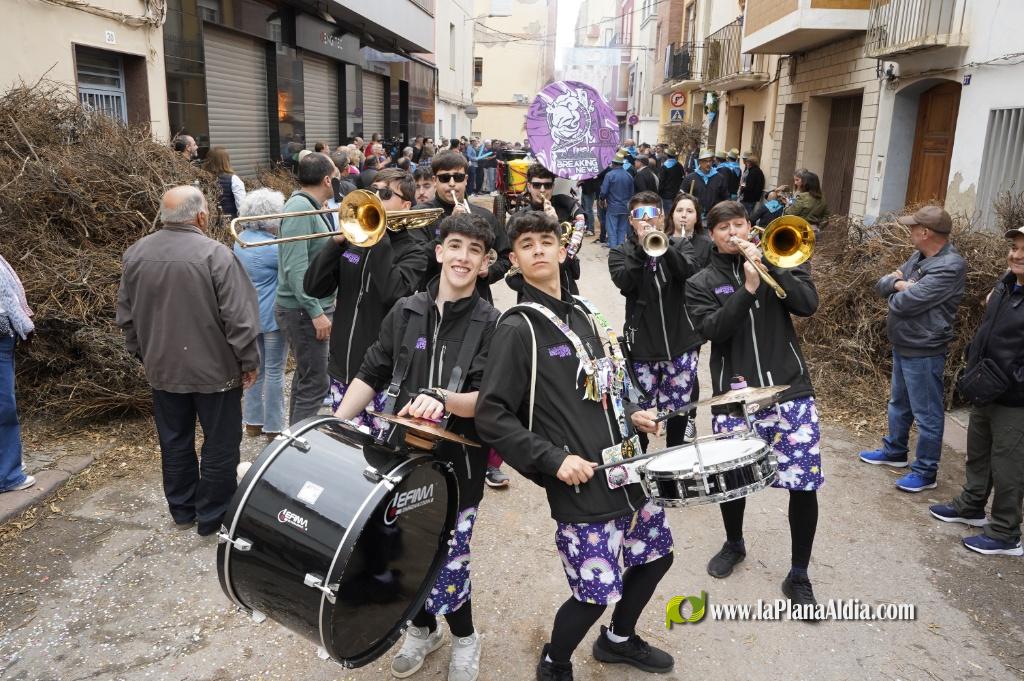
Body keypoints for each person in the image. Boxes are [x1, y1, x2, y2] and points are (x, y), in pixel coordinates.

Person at [476, 210, 675, 680]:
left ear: (563, 250)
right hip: (581, 484)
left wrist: (632, 413)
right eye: (527, 244)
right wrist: (553, 459)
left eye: (547, 241)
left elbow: (605, 386)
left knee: (656, 557)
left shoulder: (586, 313)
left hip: (628, 471)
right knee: (593, 591)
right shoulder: (517, 327)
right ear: (514, 260)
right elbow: (491, 414)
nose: (539, 250)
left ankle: (618, 641)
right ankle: (555, 662)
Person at [336, 213, 499, 681]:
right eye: (455, 246)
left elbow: (487, 398)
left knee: (448, 563)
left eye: (474, 250)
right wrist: (334, 424)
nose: (463, 257)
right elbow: (372, 371)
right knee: (393, 553)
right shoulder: (406, 310)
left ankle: (466, 638)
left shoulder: (493, 323)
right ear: (439, 252)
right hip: (396, 457)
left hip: (457, 468)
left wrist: (443, 398)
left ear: (485, 264)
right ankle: (424, 629)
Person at [685, 200, 823, 607]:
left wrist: (772, 268)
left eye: (739, 224)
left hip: (790, 391)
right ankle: (734, 543)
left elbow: (807, 305)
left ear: (751, 226)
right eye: (723, 227)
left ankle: (799, 574)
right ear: (712, 235)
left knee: (804, 484)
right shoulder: (701, 281)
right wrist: (746, 290)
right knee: (732, 479)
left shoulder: (783, 257)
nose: (733, 233)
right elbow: (712, 328)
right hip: (736, 398)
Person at [116, 186, 260, 535]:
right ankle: (212, 515)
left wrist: (143, 353)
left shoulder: (135, 254)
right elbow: (239, 320)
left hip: (163, 369)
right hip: (216, 371)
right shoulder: (216, 255)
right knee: (221, 442)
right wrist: (249, 361)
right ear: (200, 216)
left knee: (174, 440)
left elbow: (126, 316)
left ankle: (182, 511)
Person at [304, 168, 429, 428]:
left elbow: (394, 294)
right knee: (343, 447)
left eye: (384, 193)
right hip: (342, 369)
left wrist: (378, 238)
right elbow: (314, 287)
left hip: (380, 377)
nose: (375, 198)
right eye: (372, 191)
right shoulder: (353, 244)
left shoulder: (414, 251)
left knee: (373, 455)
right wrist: (335, 244)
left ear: (405, 205)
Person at [929, 226, 1024, 556]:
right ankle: (971, 505)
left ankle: (1004, 532)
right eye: (1014, 247)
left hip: (1015, 398)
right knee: (979, 451)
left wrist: (1014, 379)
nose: (1017, 254)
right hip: (988, 387)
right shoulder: (1007, 284)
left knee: (1009, 465)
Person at [859, 206, 966, 491]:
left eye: (912, 227)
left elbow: (903, 303)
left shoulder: (949, 265)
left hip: (925, 348)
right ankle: (895, 451)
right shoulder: (919, 256)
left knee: (927, 413)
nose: (909, 231)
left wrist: (899, 289)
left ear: (925, 232)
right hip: (905, 342)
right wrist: (901, 284)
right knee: (899, 403)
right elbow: (883, 285)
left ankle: (926, 471)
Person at [609, 191, 700, 449]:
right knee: (641, 417)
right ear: (630, 219)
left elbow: (688, 272)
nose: (646, 219)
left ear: (662, 217)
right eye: (640, 214)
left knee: (678, 413)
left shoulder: (679, 244)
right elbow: (626, 283)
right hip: (642, 350)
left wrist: (665, 246)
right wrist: (642, 250)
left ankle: (675, 461)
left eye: (652, 213)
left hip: (679, 346)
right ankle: (641, 468)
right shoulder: (620, 252)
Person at [275, 153, 339, 425]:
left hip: (305, 307)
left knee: (306, 377)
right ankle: (300, 446)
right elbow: (295, 269)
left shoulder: (310, 206)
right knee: (315, 382)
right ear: (327, 179)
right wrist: (315, 311)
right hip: (303, 310)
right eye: (336, 176)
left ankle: (292, 438)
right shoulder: (299, 210)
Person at [233, 189, 288, 440]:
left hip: (248, 315)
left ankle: (253, 421)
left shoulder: (240, 239)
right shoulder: (273, 247)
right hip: (273, 316)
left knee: (255, 369)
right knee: (275, 371)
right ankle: (274, 426)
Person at [421, 151, 511, 302]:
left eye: (458, 177)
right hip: (433, 299)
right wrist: (448, 228)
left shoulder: (485, 216)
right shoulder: (421, 214)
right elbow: (417, 260)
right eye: (444, 178)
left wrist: (489, 271)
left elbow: (506, 256)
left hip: (477, 301)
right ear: (434, 180)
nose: (451, 183)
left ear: (466, 180)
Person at [512, 163, 584, 294]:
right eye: (537, 185)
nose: (542, 190)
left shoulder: (566, 210)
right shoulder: (518, 218)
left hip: (564, 283)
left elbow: (575, 247)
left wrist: (556, 223)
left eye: (548, 185)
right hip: (531, 287)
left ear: (553, 186)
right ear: (529, 186)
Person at [0, 254, 36, 494]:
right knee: (4, 406)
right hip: (2, 333)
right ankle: (7, 474)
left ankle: (8, 461)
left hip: (5, 335)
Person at [682, 149, 729, 224]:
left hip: (713, 217)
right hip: (695, 218)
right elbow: (682, 197)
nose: (708, 164)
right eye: (705, 161)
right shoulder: (690, 178)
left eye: (710, 161)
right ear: (700, 162)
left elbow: (725, 198)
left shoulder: (719, 178)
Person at [599, 151, 635, 248]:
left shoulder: (610, 175)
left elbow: (604, 192)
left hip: (613, 207)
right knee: (622, 230)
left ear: (613, 163)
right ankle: (620, 250)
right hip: (625, 207)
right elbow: (632, 193)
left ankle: (614, 251)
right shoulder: (629, 176)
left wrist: (602, 200)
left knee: (612, 230)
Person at [669, 192, 712, 267]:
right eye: (679, 210)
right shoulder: (663, 241)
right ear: (672, 214)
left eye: (689, 211)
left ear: (697, 218)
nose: (684, 215)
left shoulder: (707, 244)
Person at [202, 147, 245, 221]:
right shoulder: (234, 179)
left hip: (208, 222)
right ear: (226, 161)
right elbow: (242, 206)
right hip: (229, 223)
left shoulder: (202, 178)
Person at [738, 154, 765, 218]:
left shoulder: (752, 172)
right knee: (748, 213)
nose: (746, 164)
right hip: (754, 198)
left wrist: (742, 188)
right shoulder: (759, 171)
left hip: (748, 198)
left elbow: (749, 186)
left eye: (747, 162)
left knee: (745, 215)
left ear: (750, 163)